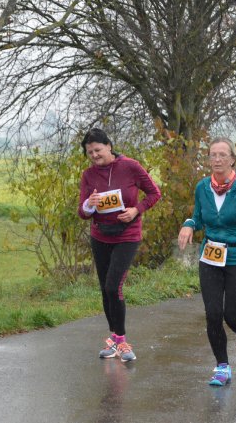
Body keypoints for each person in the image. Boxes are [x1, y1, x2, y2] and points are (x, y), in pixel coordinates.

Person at [177, 137, 236, 386]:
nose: (217, 159)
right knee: (213, 314)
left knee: (232, 315)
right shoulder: (203, 187)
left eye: (222, 155)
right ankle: (222, 366)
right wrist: (189, 224)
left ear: (232, 159)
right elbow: (199, 217)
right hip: (211, 256)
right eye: (213, 155)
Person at [78, 128, 161, 362]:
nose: (94, 155)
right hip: (100, 235)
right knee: (105, 289)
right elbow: (82, 213)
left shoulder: (130, 167)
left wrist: (136, 210)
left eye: (98, 150)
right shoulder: (88, 175)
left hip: (127, 235)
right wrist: (89, 204)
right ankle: (114, 339)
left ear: (109, 146)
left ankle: (122, 342)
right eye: (90, 152)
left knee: (114, 286)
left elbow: (154, 193)